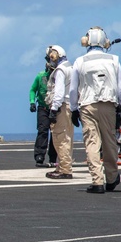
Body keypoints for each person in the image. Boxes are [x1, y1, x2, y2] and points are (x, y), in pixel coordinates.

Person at [69, 27, 121, 194]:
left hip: (87, 106)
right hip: (108, 104)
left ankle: (97, 181)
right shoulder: (114, 60)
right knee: (109, 141)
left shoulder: (79, 62)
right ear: (104, 41)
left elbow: (73, 89)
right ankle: (111, 177)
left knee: (91, 142)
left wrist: (73, 109)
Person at [44, 45, 73, 180]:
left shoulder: (60, 70)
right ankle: (62, 166)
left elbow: (58, 92)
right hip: (69, 107)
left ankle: (65, 169)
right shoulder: (70, 67)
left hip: (61, 107)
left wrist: (54, 109)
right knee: (66, 138)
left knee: (60, 139)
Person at [29, 62, 57, 168]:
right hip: (43, 108)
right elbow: (33, 90)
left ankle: (53, 157)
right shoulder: (40, 76)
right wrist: (32, 102)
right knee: (43, 130)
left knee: (55, 132)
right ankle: (39, 156)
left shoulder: (59, 77)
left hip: (55, 108)